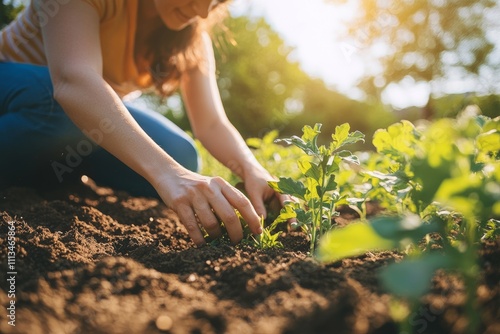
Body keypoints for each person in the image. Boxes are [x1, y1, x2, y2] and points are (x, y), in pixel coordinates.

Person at [0, 0, 288, 246]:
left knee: (181, 154)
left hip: (72, 129)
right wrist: (167, 174)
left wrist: (252, 169)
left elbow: (211, 123)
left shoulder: (193, 36)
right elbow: (73, 83)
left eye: (216, 1)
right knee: (63, 110)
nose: (202, 10)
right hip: (16, 90)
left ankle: (49, 171)